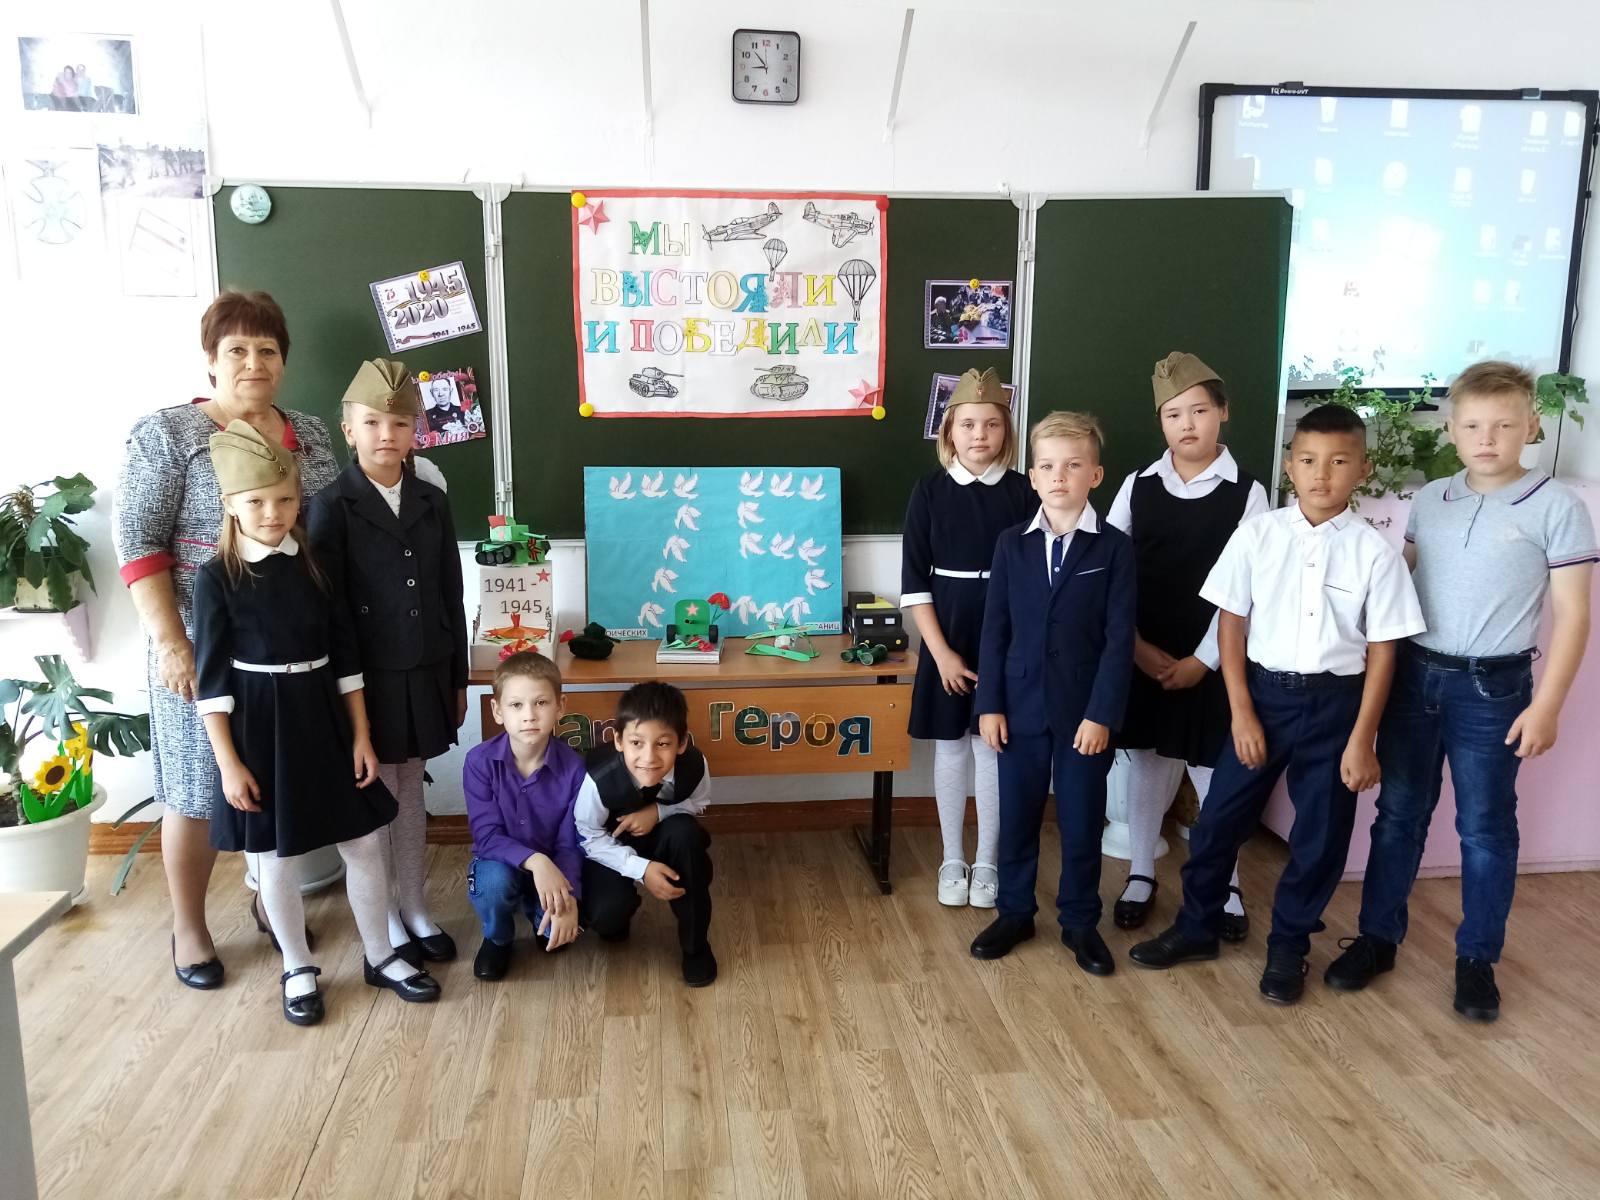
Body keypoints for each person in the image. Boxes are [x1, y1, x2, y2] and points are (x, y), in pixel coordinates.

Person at [1325, 361, 1596, 1021]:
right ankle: (1378, 938)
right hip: (1414, 676)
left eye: (1503, 425)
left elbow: (1574, 615)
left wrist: (1547, 706)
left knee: (1485, 826)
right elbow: (1402, 577)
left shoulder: (1557, 506)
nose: (1487, 438)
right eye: (1473, 425)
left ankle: (1477, 960)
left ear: (1531, 427)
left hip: (1492, 689)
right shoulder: (1432, 499)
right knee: (1399, 814)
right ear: (1452, 430)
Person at [1130, 404, 1425, 1004]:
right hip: (1261, 698)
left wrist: (1362, 739)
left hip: (1337, 706)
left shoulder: (1375, 553)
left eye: (1339, 462)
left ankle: (1289, 945)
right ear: (1290, 467)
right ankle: (1197, 926)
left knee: (1320, 837)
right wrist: (1241, 711)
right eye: (1309, 461)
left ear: (1363, 469)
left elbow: (1383, 651)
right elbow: (1231, 622)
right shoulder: (1258, 535)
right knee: (1216, 823)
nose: (1322, 475)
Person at [115, 290, 340, 990]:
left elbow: (327, 536)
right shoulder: (167, 435)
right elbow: (139, 543)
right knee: (197, 789)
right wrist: (171, 642)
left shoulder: (310, 434)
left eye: (267, 349)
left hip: (291, 650)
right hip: (202, 647)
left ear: (284, 361)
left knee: (280, 779)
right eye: (236, 349)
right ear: (210, 360)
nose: (253, 362)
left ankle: (274, 905)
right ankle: (189, 926)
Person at [193, 421, 441, 1025]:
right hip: (262, 728)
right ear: (230, 504)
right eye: (256, 502)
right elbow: (211, 682)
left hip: (325, 714)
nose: (272, 513)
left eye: (285, 500)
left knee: (363, 842)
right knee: (275, 857)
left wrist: (361, 734)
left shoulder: (314, 564)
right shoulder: (217, 577)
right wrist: (229, 763)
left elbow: (346, 657)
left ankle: (380, 954)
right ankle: (297, 966)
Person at [308, 359, 469, 967]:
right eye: (372, 422)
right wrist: (344, 698)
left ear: (415, 432)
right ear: (348, 429)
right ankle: (386, 924)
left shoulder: (431, 498)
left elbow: (451, 592)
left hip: (426, 670)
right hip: (367, 679)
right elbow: (332, 611)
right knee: (379, 794)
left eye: (400, 423)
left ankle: (416, 908)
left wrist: (457, 677)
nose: (386, 434)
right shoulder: (332, 505)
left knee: (411, 791)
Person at [1105, 352, 1269, 937]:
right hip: (1145, 647)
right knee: (1149, 760)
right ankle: (1141, 873)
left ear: (1223, 412)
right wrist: (1135, 647)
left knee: (1213, 769)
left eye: (1199, 410)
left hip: (1216, 652)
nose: (1187, 424)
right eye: (1173, 414)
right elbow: (1109, 570)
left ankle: (1224, 882)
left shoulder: (1248, 492)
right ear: (1161, 422)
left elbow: (1248, 586)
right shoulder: (1137, 485)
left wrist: (1204, 660)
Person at [969, 411, 1136, 975]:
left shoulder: (1114, 549)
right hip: (1018, 710)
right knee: (1016, 817)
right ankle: (1015, 911)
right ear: (1033, 476)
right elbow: (995, 631)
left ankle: (1080, 921)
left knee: (1082, 822)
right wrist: (989, 704)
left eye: (1072, 465)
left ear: (1095, 475)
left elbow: (1119, 640)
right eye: (1047, 466)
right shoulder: (1010, 545)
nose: (1059, 476)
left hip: (1084, 715)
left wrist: (1102, 714)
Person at [901, 367, 1033, 908]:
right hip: (947, 639)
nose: (980, 434)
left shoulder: (1024, 492)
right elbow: (914, 584)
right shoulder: (929, 491)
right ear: (949, 431)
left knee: (992, 747)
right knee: (952, 747)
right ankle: (952, 856)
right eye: (968, 424)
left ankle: (988, 861)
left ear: (1006, 432)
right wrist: (942, 656)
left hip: (1004, 638)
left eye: (992, 424)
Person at [575, 683, 717, 986]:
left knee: (685, 835)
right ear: (618, 740)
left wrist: (657, 812)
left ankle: (696, 946)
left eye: (663, 743)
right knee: (606, 916)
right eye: (637, 743)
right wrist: (641, 869)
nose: (649, 757)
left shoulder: (695, 764)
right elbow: (588, 835)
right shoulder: (599, 778)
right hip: (612, 845)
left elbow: (699, 802)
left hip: (665, 835)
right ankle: (618, 915)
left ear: (682, 743)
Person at [464, 652, 586, 980]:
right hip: (500, 862)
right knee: (494, 883)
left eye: (541, 703)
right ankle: (498, 937)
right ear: (497, 711)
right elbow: (486, 836)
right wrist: (536, 861)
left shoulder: (574, 768)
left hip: (554, 864)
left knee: (557, 935)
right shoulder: (479, 762)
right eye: (516, 705)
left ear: (560, 707)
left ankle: (538, 913)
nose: (529, 715)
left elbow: (570, 844)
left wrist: (568, 898)